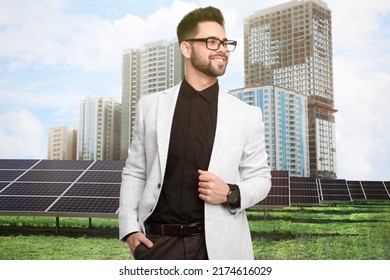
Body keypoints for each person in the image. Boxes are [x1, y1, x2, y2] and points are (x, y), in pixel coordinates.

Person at [119, 6, 271, 260]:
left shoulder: (247, 114)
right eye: (212, 42)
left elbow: (261, 178)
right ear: (186, 48)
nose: (222, 49)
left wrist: (232, 193)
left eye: (225, 42)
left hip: (220, 248)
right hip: (158, 245)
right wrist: (130, 229)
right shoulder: (151, 106)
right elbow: (135, 170)